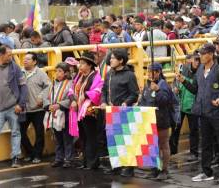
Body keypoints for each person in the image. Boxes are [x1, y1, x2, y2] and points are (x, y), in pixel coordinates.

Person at [177, 43, 219, 186]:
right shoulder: (200, 70)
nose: (200, 57)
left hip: (217, 113)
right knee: (206, 143)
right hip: (203, 113)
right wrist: (184, 81)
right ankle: (206, 172)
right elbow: (195, 89)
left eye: (203, 54)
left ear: (211, 54)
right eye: (199, 55)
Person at [101, 49, 139, 177]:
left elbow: (134, 94)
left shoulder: (129, 75)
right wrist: (104, 102)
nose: (110, 60)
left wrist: (126, 103)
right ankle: (116, 164)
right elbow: (104, 90)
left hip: (123, 112)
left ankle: (129, 167)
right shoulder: (109, 74)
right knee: (113, 140)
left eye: (113, 58)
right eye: (110, 58)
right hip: (110, 112)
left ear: (121, 60)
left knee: (126, 140)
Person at [68, 51, 104, 170]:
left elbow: (98, 91)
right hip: (79, 109)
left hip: (89, 111)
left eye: (82, 63)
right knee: (83, 136)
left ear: (89, 65)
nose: (80, 66)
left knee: (91, 136)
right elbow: (71, 89)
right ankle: (85, 161)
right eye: (80, 63)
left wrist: (86, 95)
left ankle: (92, 162)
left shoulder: (96, 76)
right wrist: (73, 99)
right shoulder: (79, 76)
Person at [139, 63, 175, 180]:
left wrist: (158, 90)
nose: (148, 74)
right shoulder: (147, 84)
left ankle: (164, 170)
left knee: (163, 144)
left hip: (161, 119)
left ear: (158, 72)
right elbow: (144, 100)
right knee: (153, 146)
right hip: (149, 120)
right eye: (147, 71)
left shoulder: (163, 85)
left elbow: (165, 101)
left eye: (151, 71)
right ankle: (154, 169)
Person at [0, 43, 27, 168]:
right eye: (9, 54)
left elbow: (23, 86)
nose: (11, 56)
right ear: (1, 54)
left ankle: (15, 158)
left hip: (13, 107)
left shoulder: (15, 68)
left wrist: (20, 104)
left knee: (16, 132)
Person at [19, 52, 50, 164]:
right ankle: (31, 152)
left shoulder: (41, 73)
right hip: (24, 109)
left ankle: (37, 155)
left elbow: (48, 86)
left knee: (39, 133)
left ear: (34, 61)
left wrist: (41, 97)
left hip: (37, 109)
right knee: (20, 132)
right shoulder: (20, 72)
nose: (25, 60)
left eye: (28, 59)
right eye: (24, 58)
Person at [170, 52, 200, 161]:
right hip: (181, 104)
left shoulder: (200, 72)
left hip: (193, 105)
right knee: (175, 128)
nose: (196, 62)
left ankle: (194, 153)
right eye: (194, 60)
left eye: (198, 60)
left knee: (194, 130)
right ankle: (172, 150)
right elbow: (174, 83)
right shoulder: (183, 69)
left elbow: (196, 89)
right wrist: (175, 88)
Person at [44, 63, 74, 168]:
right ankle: (59, 158)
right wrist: (48, 105)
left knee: (67, 138)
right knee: (58, 138)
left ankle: (68, 159)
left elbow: (71, 99)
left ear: (66, 73)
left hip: (65, 113)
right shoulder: (53, 84)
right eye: (56, 71)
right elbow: (47, 96)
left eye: (60, 71)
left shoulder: (71, 83)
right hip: (54, 114)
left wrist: (59, 105)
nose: (57, 73)